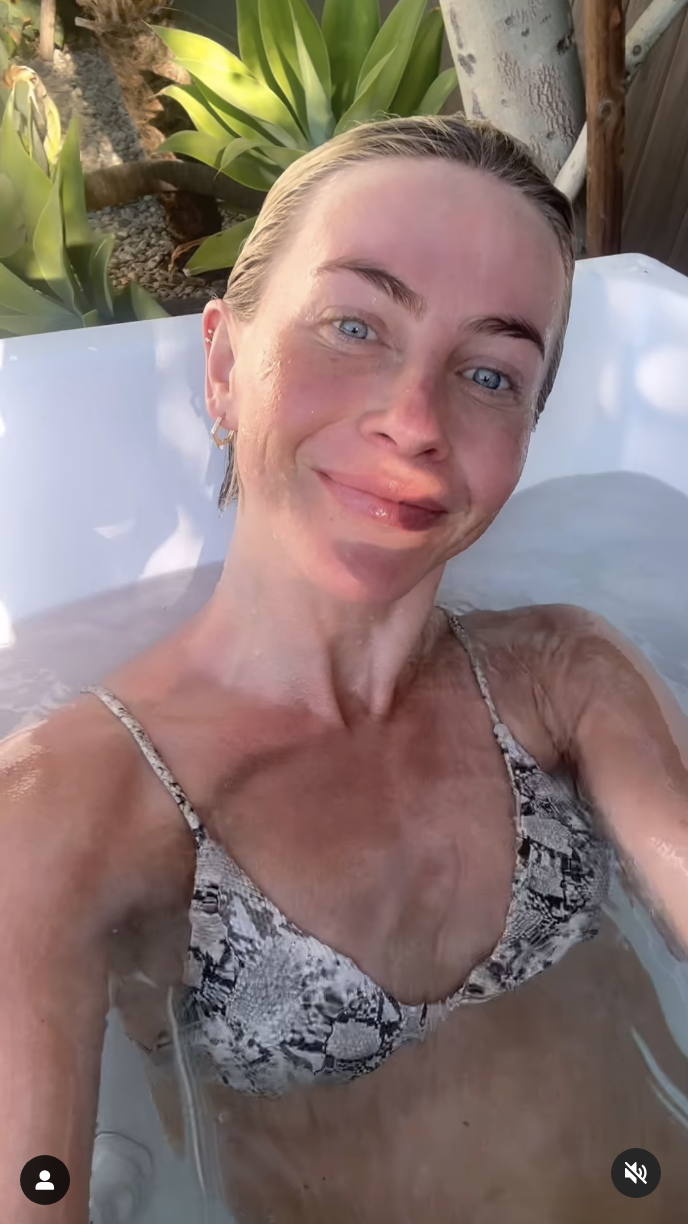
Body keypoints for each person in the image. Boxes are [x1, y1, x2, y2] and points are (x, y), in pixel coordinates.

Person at [2, 113, 688, 1224]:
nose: (416, 421)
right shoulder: (67, 809)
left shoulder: (567, 673)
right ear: (225, 364)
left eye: (489, 372)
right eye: (354, 326)